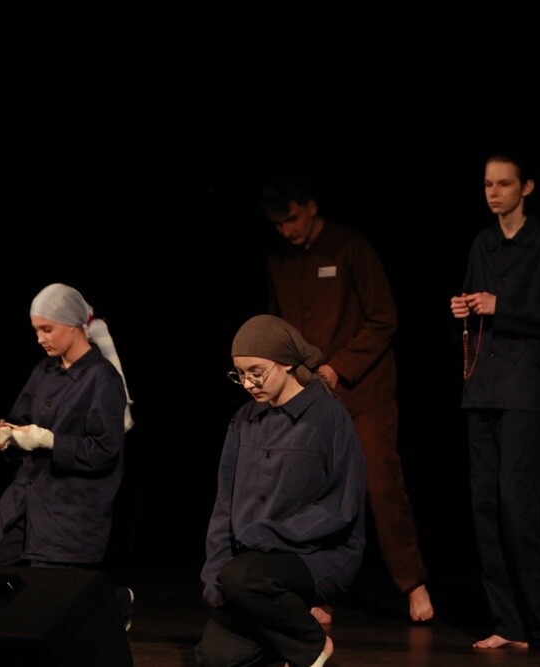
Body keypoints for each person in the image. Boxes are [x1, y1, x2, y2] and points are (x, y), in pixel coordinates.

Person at [262, 173, 435, 623]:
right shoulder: (280, 261)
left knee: (381, 485)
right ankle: (321, 589)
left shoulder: (350, 248)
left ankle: (413, 583)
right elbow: (280, 327)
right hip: (311, 398)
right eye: (278, 224)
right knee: (316, 494)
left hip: (364, 393)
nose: (286, 230)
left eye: (292, 219)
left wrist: (340, 366)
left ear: (311, 207)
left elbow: (383, 318)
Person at [449, 150, 540, 653]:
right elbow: (474, 305)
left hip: (527, 388)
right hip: (482, 387)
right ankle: (507, 623)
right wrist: (463, 307)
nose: (494, 193)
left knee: (521, 507)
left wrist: (503, 307)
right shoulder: (482, 242)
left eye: (504, 184)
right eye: (488, 184)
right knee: (485, 506)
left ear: (526, 188)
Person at [195, 314, 366, 667]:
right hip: (249, 568)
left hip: (314, 555)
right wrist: (215, 573)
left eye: (256, 372)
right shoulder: (244, 420)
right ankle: (281, 641)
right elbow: (224, 505)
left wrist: (266, 536)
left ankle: (313, 645)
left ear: (286, 363)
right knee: (215, 658)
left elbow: (340, 505)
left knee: (244, 576)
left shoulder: (328, 416)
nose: (248, 383)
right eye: (240, 374)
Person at [0, 282, 136, 629]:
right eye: (36, 330)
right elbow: (20, 420)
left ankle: (116, 602)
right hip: (25, 501)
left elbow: (105, 451)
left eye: (47, 329)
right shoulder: (43, 371)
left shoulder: (101, 379)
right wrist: (7, 435)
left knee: (51, 605)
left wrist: (50, 441)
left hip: (69, 511)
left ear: (74, 326)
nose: (40, 338)